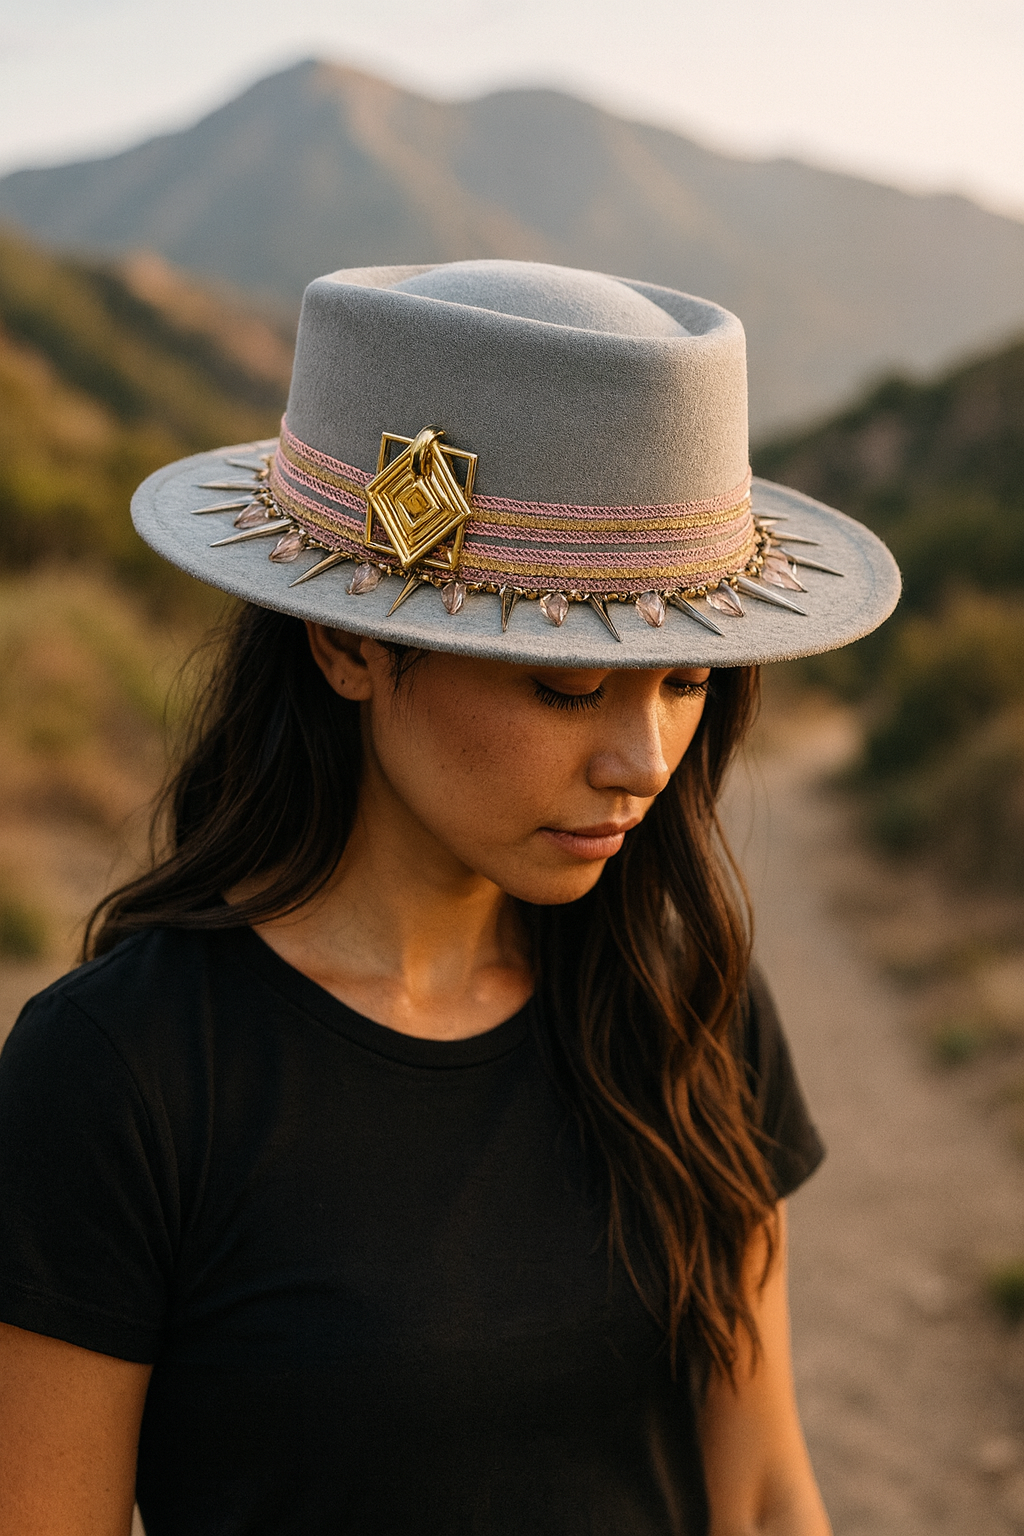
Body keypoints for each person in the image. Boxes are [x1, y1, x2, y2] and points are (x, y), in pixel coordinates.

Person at [0, 260, 898, 1536]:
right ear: (349, 641)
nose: (642, 763)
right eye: (567, 686)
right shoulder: (120, 1077)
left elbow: (757, 1490)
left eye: (688, 679)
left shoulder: (681, 995)